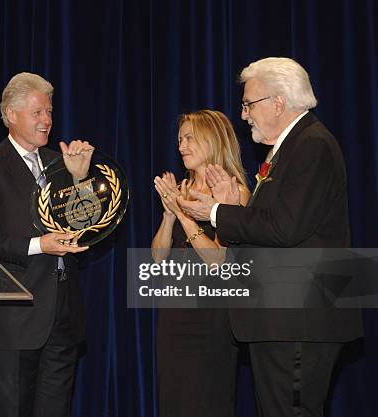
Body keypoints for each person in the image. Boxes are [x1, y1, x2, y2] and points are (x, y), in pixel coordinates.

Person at [177, 57, 363, 417]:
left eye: (249, 103)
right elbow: (280, 224)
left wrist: (215, 213)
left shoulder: (312, 145)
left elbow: (285, 227)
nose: (244, 114)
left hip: (298, 319)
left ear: (278, 102)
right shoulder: (291, 148)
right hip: (285, 318)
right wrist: (233, 209)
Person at [0, 72, 94, 417]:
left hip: (63, 313)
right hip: (14, 318)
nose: (47, 120)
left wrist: (80, 179)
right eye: (37, 112)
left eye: (49, 112)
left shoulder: (59, 163)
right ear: (10, 114)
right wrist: (38, 245)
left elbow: (85, 226)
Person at [151, 110, 250, 417]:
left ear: (213, 139)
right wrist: (169, 215)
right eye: (180, 138)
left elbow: (218, 261)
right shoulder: (181, 188)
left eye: (190, 137)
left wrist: (182, 212)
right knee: (174, 401)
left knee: (208, 402)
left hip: (213, 319)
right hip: (175, 316)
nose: (182, 145)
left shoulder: (235, 192)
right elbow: (157, 258)